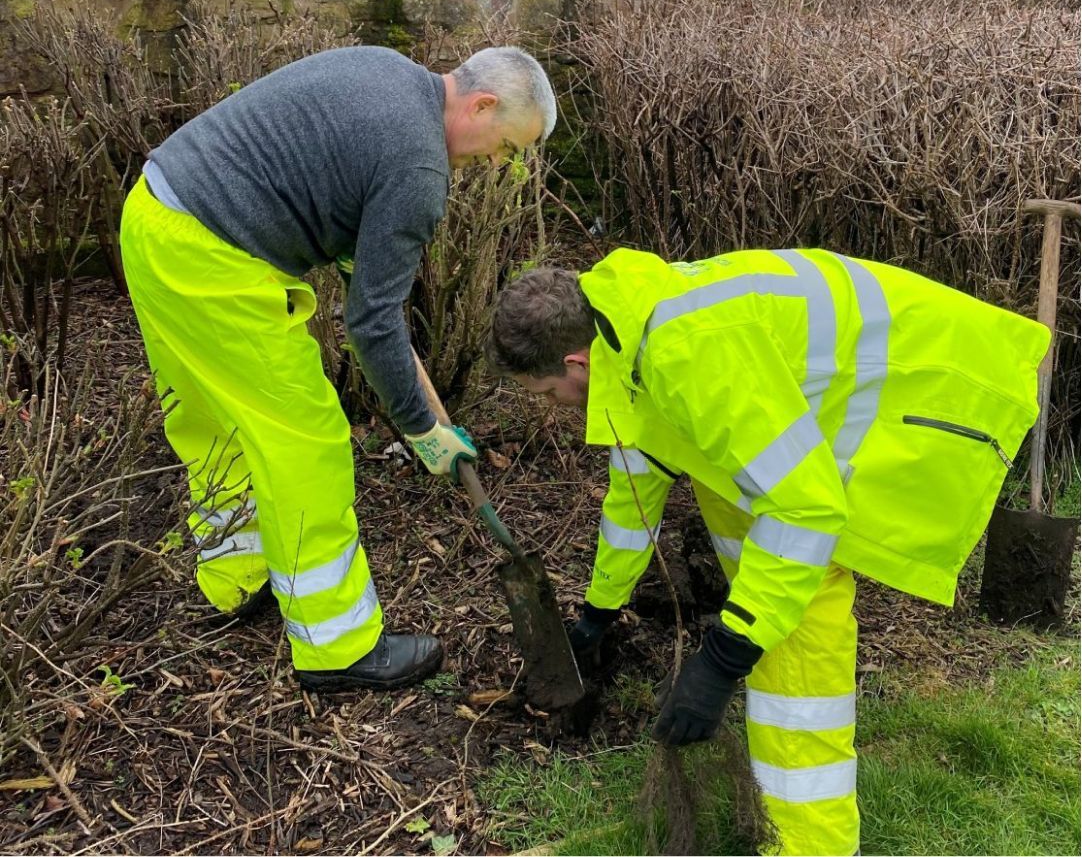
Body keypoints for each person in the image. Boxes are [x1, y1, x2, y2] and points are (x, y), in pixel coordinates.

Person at [486, 247, 1047, 857]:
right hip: (817, 426)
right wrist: (597, 614)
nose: (550, 405)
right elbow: (633, 493)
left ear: (576, 362)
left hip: (931, 387)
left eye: (545, 391)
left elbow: (804, 510)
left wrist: (724, 658)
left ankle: (815, 845)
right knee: (760, 577)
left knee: (797, 642)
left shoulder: (691, 356)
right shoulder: (624, 327)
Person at [120, 43, 556, 694]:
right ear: (482, 104)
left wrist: (380, 310)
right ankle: (338, 646)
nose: (497, 164)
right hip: (214, 257)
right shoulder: (418, 166)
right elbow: (372, 324)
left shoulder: (391, 73)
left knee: (215, 419)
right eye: (506, 146)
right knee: (307, 436)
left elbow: (362, 267)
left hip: (156, 213)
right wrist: (425, 430)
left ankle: (234, 579)